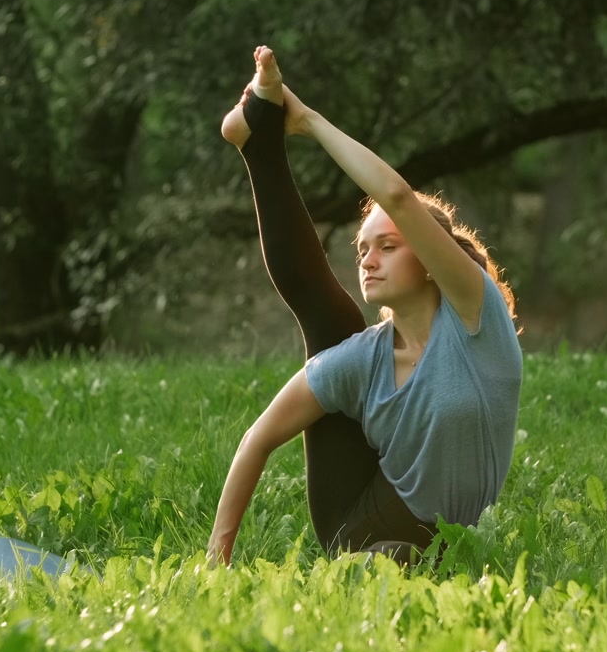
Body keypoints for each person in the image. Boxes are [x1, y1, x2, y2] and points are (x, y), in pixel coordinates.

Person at [207, 46, 523, 567]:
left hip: (444, 541)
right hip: (357, 523)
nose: (367, 261)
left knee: (336, 320)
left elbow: (398, 196)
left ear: (427, 258)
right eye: (361, 250)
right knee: (333, 322)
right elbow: (257, 439)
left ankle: (259, 137)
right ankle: (259, 142)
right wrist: (216, 557)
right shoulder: (365, 358)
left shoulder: (475, 322)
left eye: (388, 247)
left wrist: (306, 120)